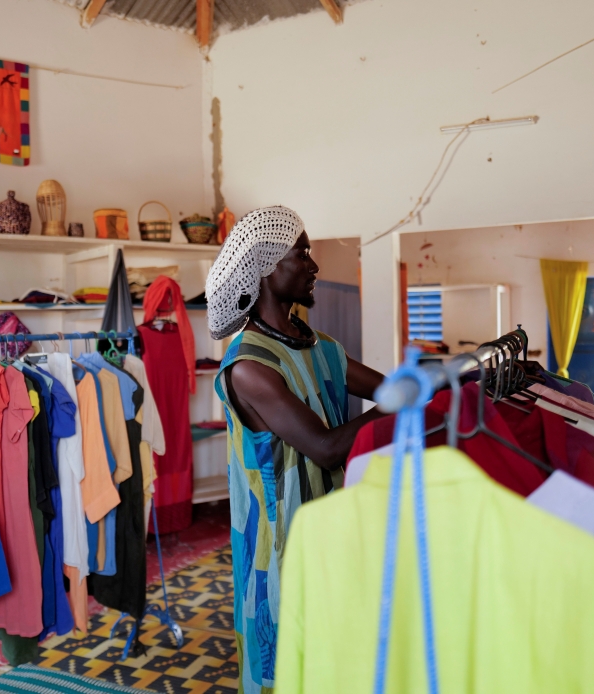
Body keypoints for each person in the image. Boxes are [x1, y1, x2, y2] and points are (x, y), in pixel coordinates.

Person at [206, 206, 388, 694]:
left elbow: (389, 390)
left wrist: (447, 380)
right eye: (301, 253)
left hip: (335, 521)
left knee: (339, 653)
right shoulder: (250, 366)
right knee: (291, 661)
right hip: (285, 538)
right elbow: (325, 448)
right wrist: (404, 398)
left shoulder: (320, 347)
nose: (314, 265)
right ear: (266, 268)